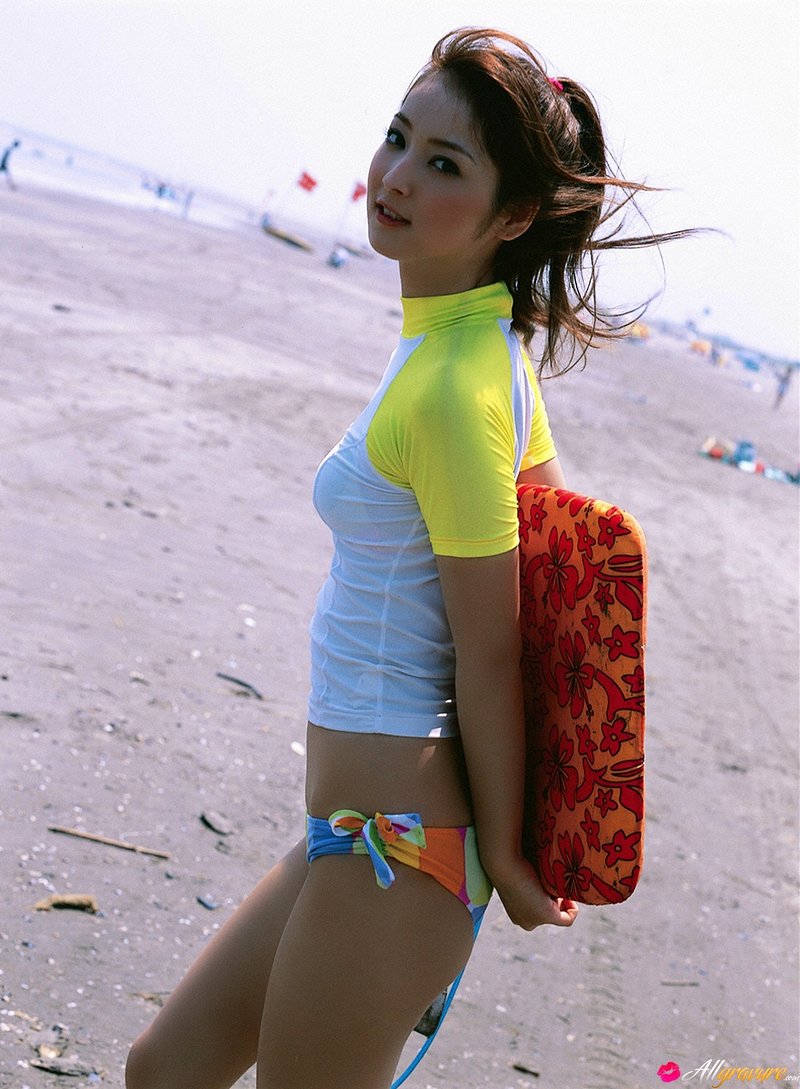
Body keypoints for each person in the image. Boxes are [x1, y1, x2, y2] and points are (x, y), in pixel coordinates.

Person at [126, 27, 684, 1089]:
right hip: (354, 830)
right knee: (165, 1070)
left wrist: (509, 856)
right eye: (397, 137)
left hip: (402, 842)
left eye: (443, 164)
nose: (395, 176)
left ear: (511, 215)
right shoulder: (472, 351)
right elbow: (557, 558)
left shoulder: (456, 386)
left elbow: (498, 646)